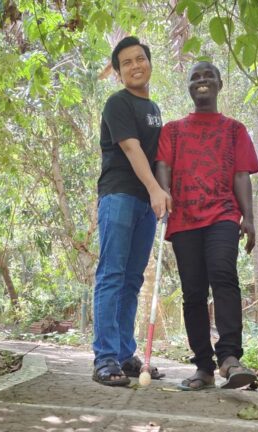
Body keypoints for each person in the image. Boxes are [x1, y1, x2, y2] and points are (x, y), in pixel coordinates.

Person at [155, 61, 258, 390]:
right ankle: (203, 366)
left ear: (219, 84)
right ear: (188, 87)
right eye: (195, 77)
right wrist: (163, 194)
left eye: (208, 76)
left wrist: (250, 219)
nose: (202, 81)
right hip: (184, 217)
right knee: (194, 292)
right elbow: (163, 166)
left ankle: (229, 358)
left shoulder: (235, 130)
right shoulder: (172, 130)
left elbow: (241, 175)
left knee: (224, 276)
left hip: (223, 214)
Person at [92, 36, 172, 386]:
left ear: (149, 63)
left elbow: (159, 159)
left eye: (140, 59)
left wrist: (161, 192)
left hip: (145, 203)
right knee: (112, 274)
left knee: (132, 280)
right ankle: (105, 358)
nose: (135, 66)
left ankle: (125, 355)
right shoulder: (117, 103)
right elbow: (131, 147)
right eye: (126, 63)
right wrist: (156, 189)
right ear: (119, 73)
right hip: (120, 196)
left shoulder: (153, 108)